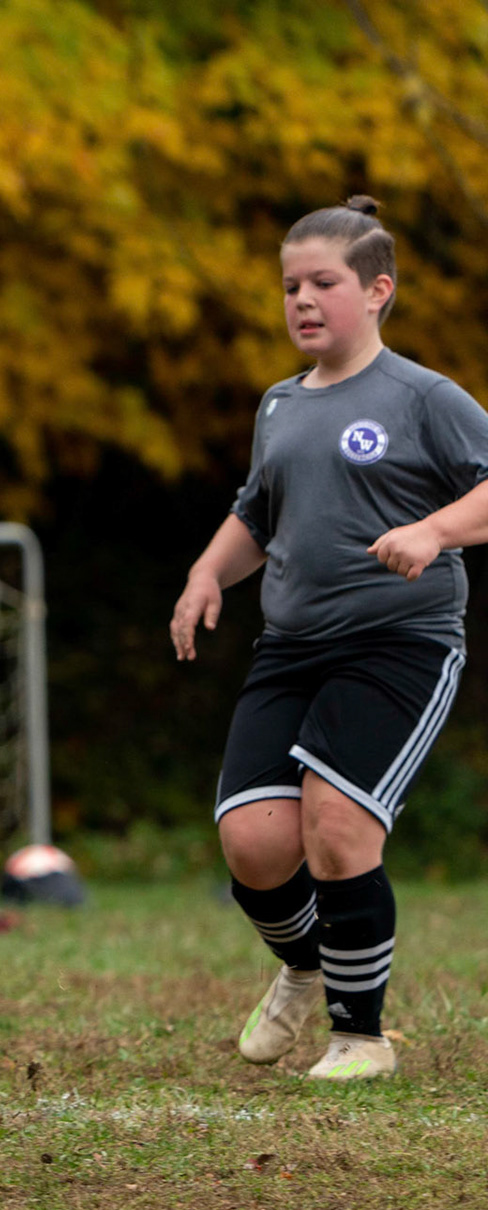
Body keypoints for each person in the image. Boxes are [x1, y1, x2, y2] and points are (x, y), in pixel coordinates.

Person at [170, 196, 488, 1082]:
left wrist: (436, 531)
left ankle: (361, 1037)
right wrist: (205, 576)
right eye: (289, 286)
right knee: (255, 845)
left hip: (401, 642)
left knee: (338, 828)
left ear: (378, 290)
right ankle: (304, 966)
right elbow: (256, 516)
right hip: (292, 644)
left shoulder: (422, 396)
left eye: (323, 283)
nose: (302, 300)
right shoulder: (278, 404)